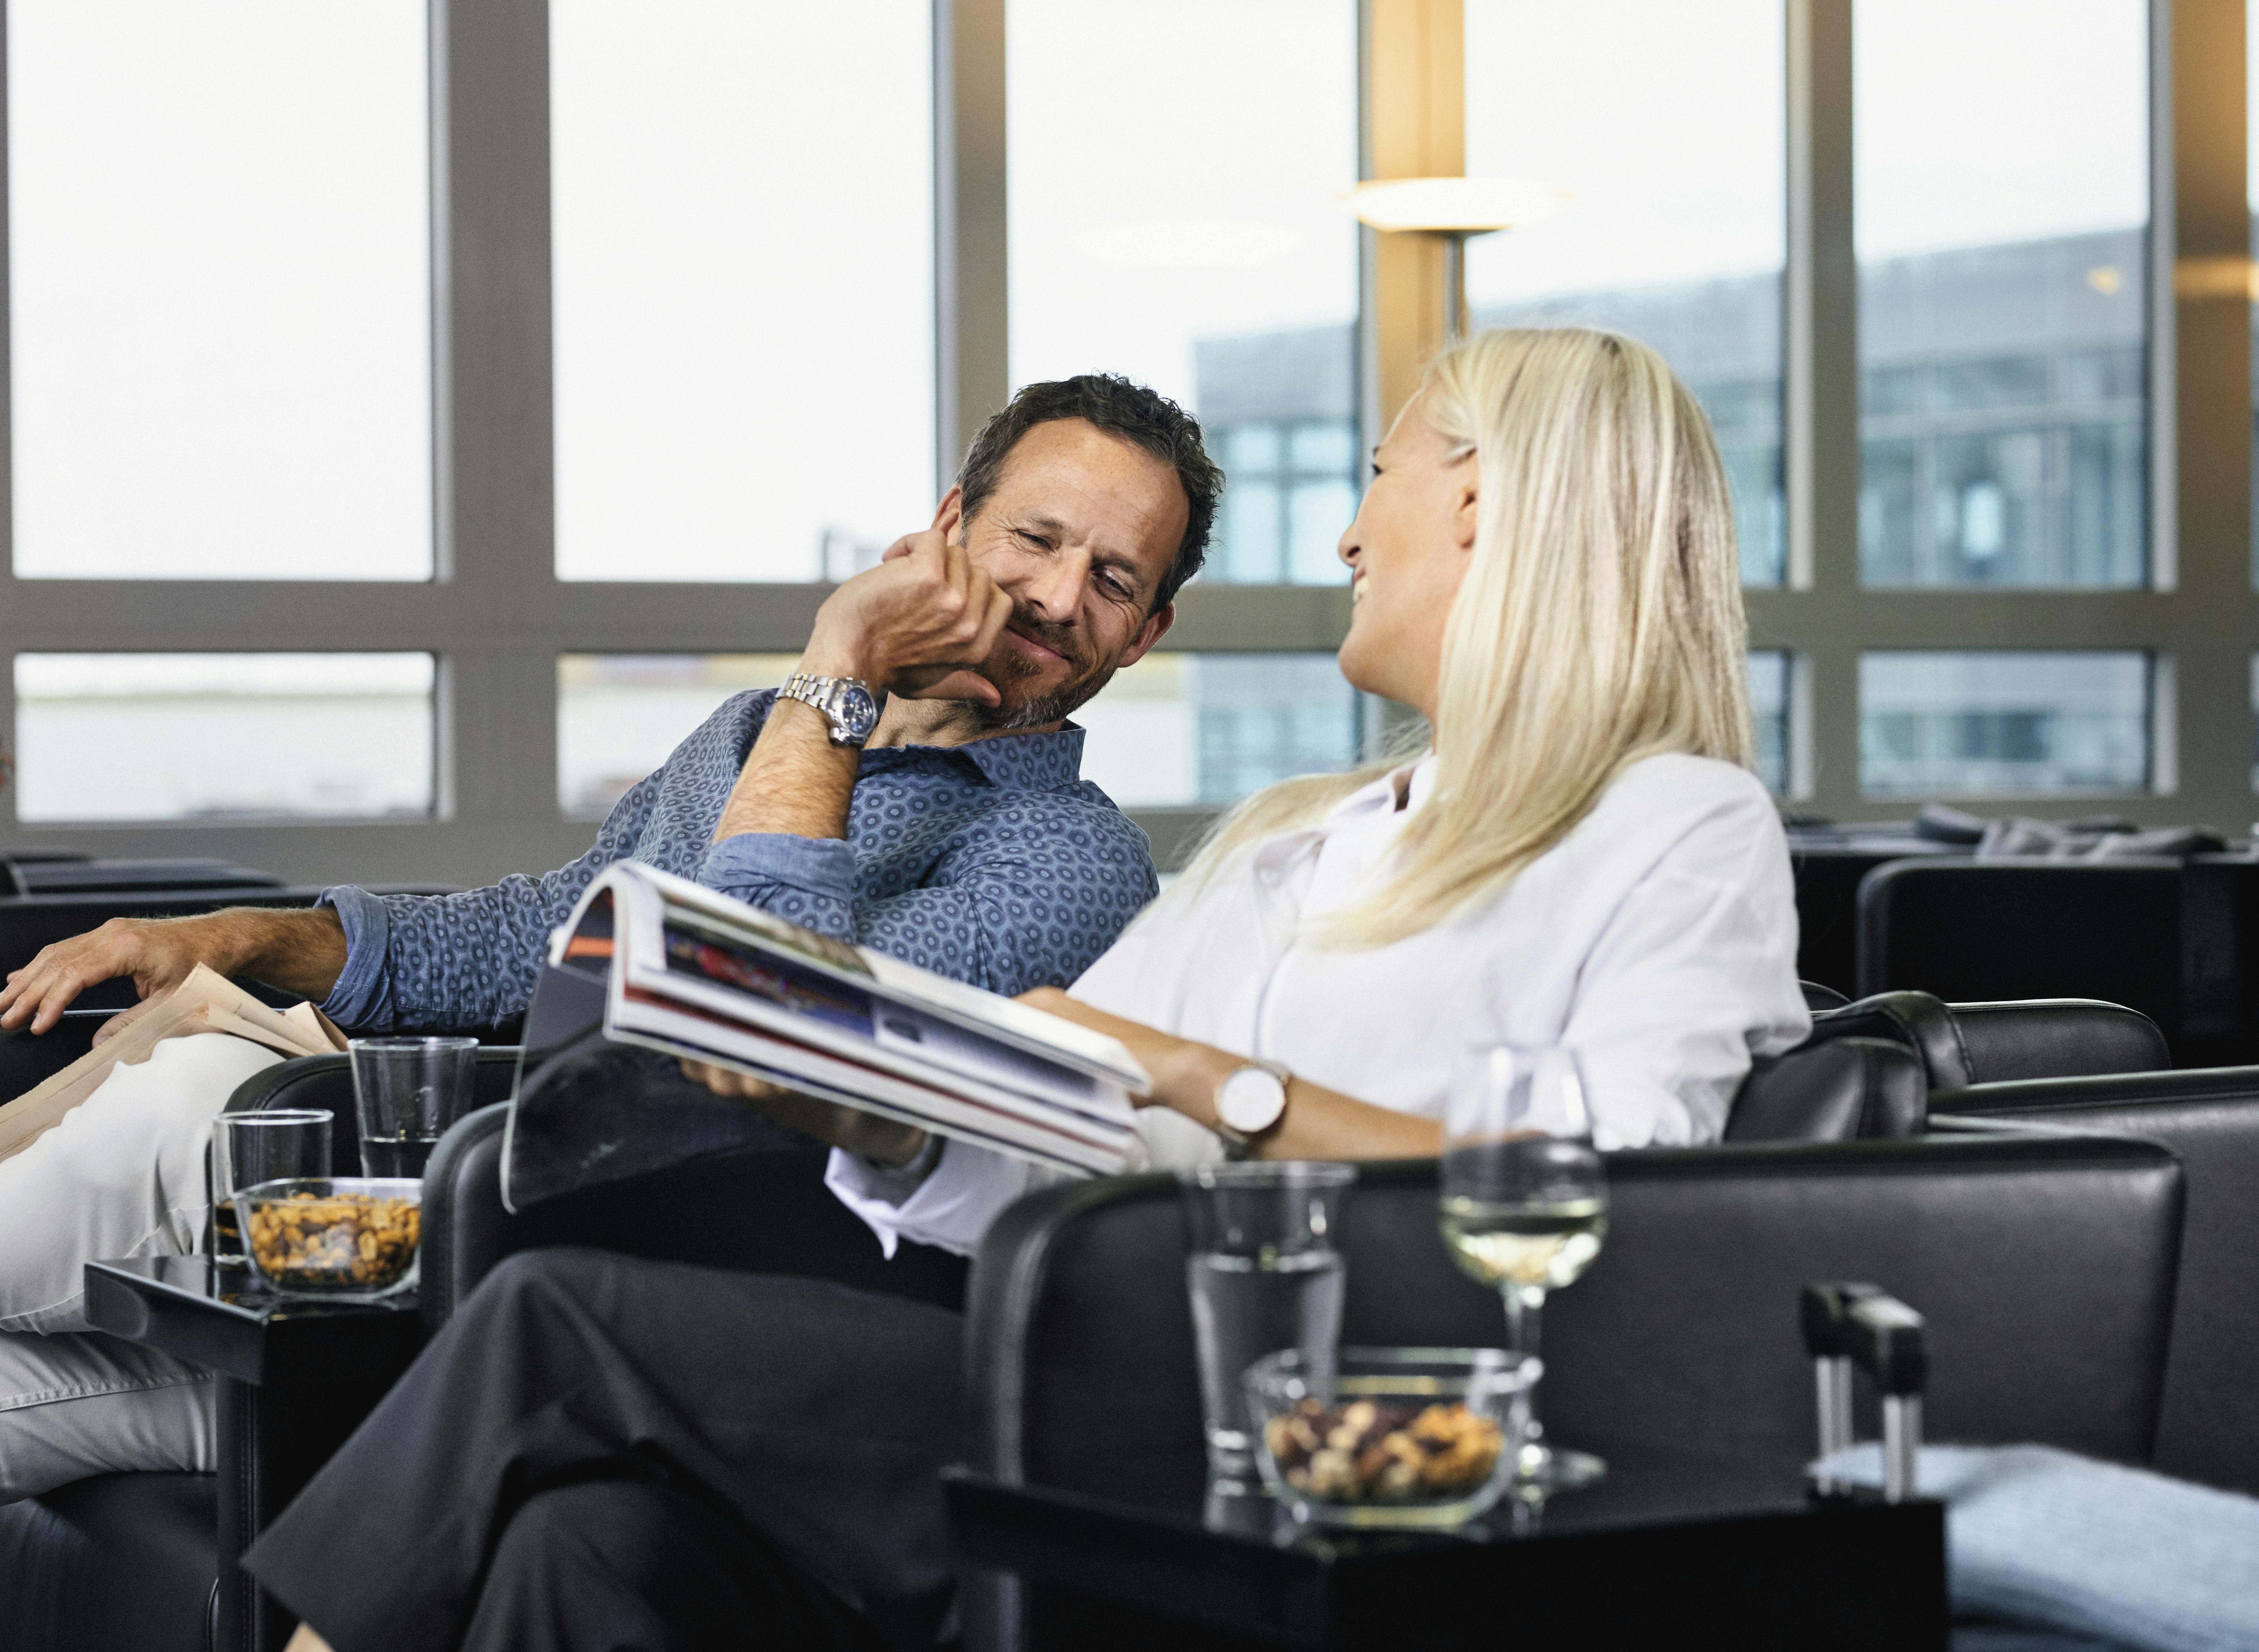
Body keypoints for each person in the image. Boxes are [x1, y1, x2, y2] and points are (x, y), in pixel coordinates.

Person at [239, 327, 1811, 1652]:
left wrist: (1210, 1085)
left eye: (1379, 480)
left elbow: (1633, 1210)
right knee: (583, 1548)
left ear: (1478, 502)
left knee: (545, 1324)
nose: (1348, 536)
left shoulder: (1679, 823)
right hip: (1127, 1375)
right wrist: (880, 1107)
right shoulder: (1292, 845)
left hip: (1312, 1430)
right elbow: (1057, 1123)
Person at [0, 372, 1223, 1652]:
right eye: (1036, 538)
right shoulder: (747, 737)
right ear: (953, 520)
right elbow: (537, 929)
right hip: (443, 1258)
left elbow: (770, 1030)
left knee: (184, 1106)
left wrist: (836, 679)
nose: (1051, 597)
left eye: (1111, 578)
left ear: (1145, 634)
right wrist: (246, 934)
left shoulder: (1066, 854)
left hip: (622, 1307)